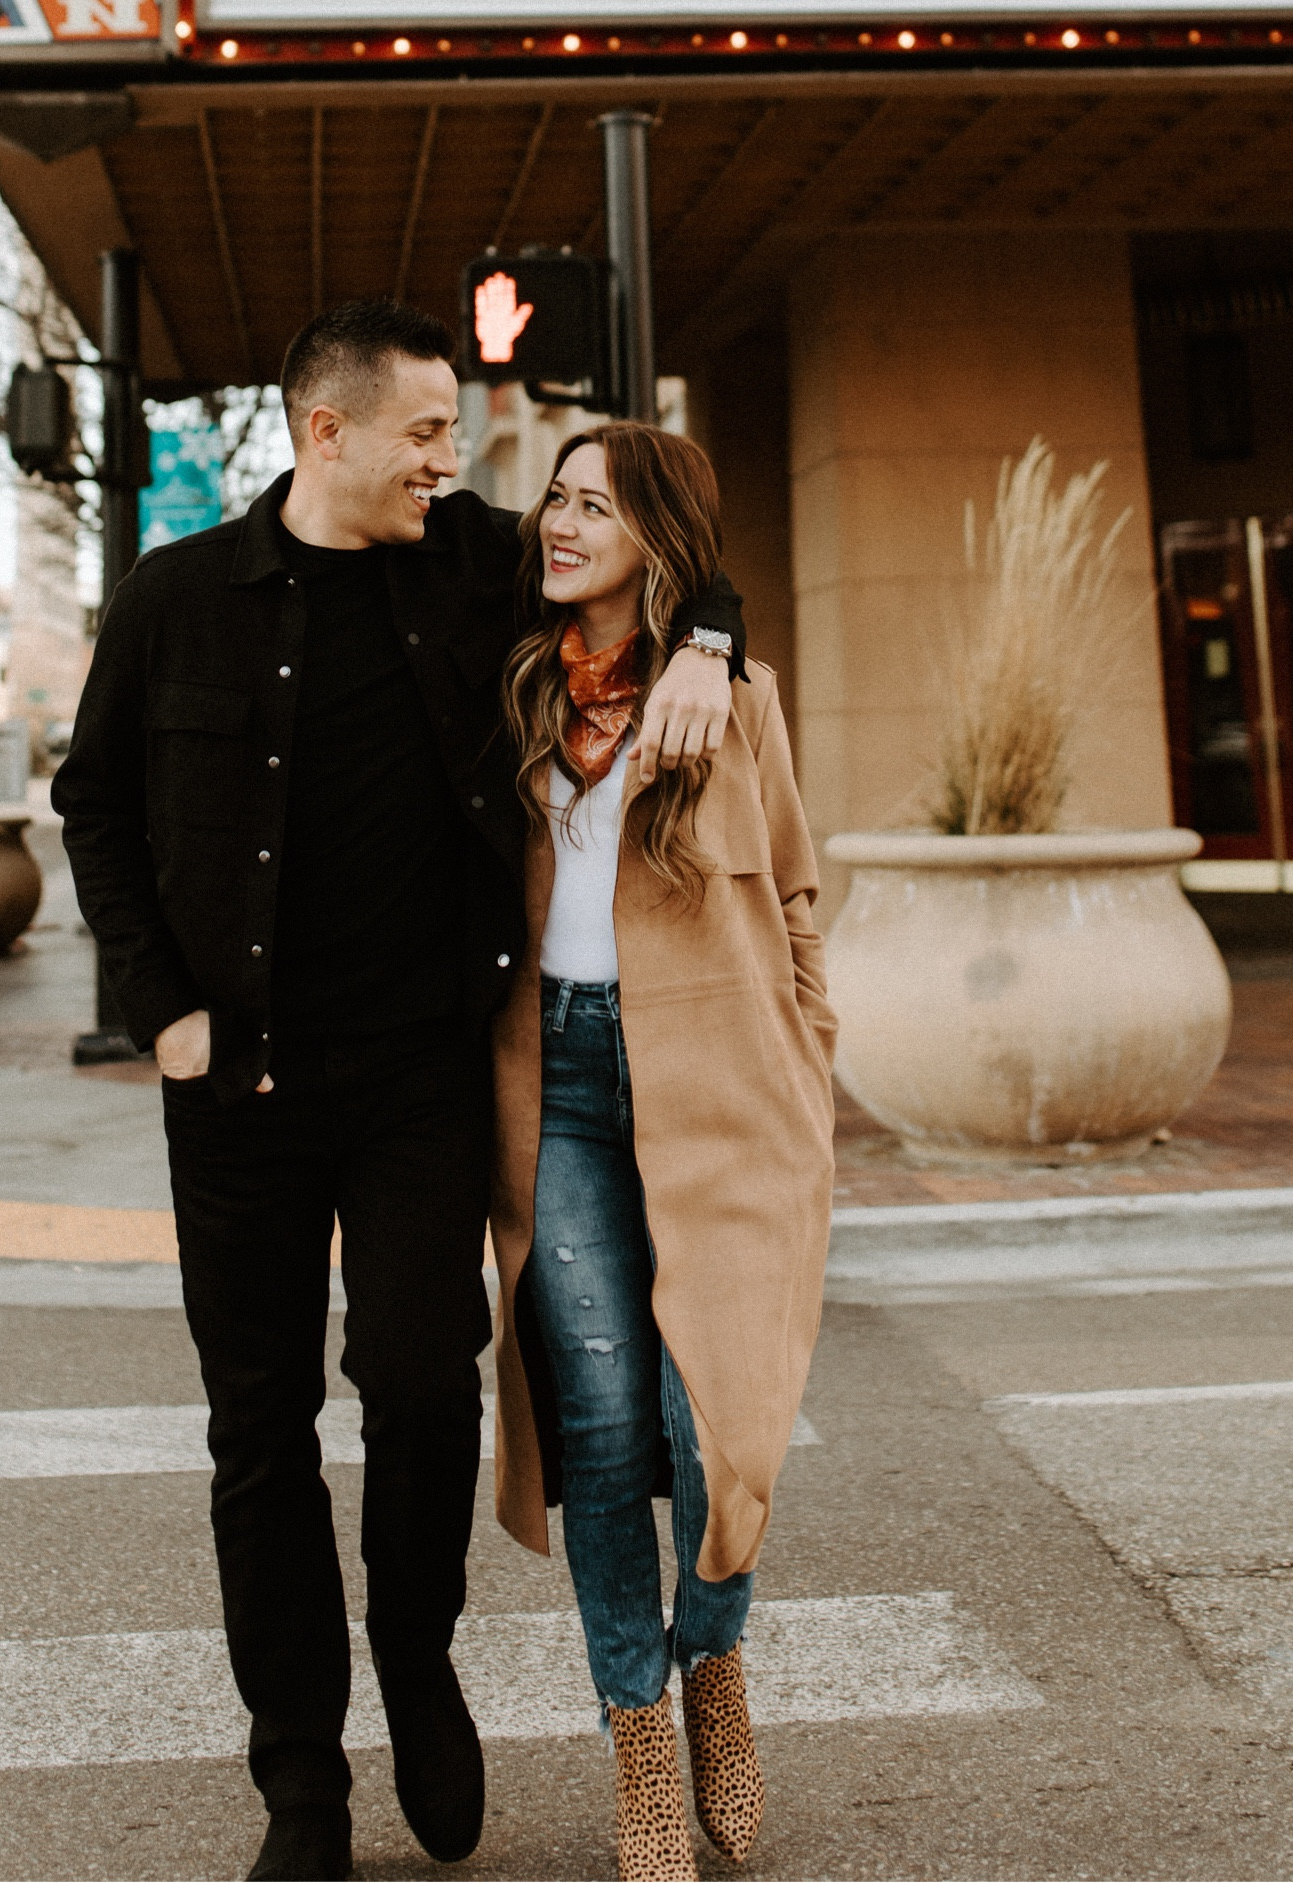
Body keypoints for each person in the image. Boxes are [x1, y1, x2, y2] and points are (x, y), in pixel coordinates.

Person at [52, 300, 747, 1883]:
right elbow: (90, 797)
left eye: (454, 434)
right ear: (328, 433)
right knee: (259, 1428)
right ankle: (301, 1776)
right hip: (234, 1090)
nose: (453, 457)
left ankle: (416, 1656)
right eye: (427, 432)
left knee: (425, 1385)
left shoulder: (473, 560)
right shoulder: (176, 597)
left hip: (422, 1077)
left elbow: (661, 547)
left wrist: (707, 638)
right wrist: (154, 1003)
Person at [488, 424, 837, 1882]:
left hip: (719, 1074)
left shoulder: (731, 695)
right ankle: (638, 1732)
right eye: (553, 498)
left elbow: (801, 891)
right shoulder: (505, 679)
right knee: (605, 1426)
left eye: (594, 504)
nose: (560, 522)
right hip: (551, 1080)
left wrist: (810, 1060)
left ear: (658, 536)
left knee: (720, 1429)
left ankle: (715, 1663)